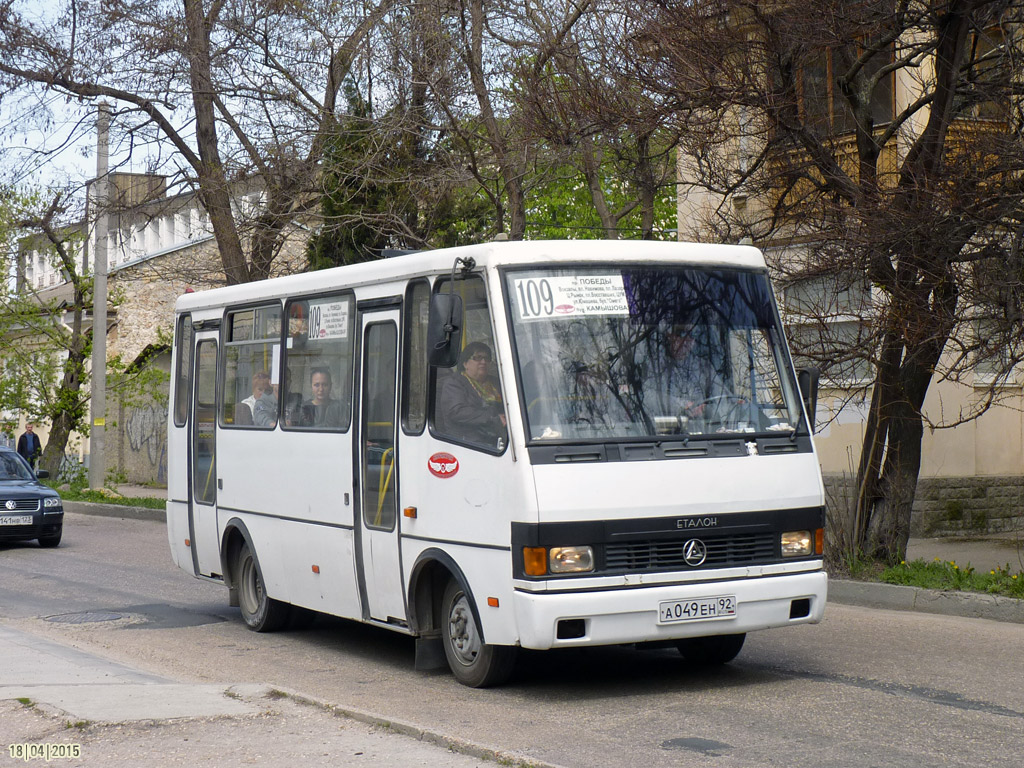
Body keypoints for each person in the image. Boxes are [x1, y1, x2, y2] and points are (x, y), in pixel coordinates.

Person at [436, 342, 507, 447]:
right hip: (469, 443)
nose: (483, 362)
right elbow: (457, 412)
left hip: (498, 440)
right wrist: (493, 418)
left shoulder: (497, 383)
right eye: (477, 358)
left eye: (487, 359)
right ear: (465, 363)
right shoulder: (454, 383)